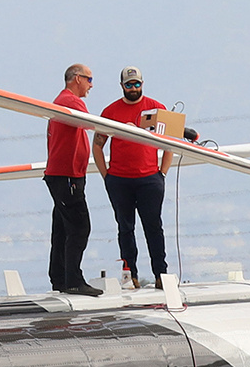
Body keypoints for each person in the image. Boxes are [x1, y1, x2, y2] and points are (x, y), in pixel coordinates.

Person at [93, 66, 174, 289]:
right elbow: (97, 145)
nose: (133, 88)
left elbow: (170, 143)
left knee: (153, 226)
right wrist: (106, 175)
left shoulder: (157, 108)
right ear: (121, 86)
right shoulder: (110, 112)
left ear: (143, 83)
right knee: (125, 228)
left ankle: (161, 274)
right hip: (119, 180)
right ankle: (131, 276)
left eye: (137, 83)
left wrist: (162, 173)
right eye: (129, 84)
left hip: (150, 179)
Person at [45, 63, 102, 296]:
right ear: (77, 79)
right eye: (89, 79)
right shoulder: (70, 101)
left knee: (62, 229)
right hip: (68, 176)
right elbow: (91, 124)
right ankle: (72, 280)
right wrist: (121, 129)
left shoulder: (61, 101)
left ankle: (59, 277)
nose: (91, 85)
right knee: (79, 227)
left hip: (61, 175)